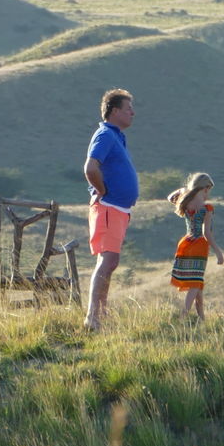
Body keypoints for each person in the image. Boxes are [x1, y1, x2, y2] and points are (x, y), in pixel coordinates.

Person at [82, 88, 136, 331]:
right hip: (108, 206)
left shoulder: (117, 136)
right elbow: (91, 168)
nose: (132, 113)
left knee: (111, 261)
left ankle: (100, 315)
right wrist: (102, 191)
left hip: (118, 208)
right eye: (128, 109)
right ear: (114, 111)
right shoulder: (105, 134)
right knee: (107, 260)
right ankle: (93, 316)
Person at [166, 172, 224, 321]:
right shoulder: (206, 209)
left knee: (196, 282)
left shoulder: (185, 203)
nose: (208, 195)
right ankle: (183, 315)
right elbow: (207, 233)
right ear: (205, 188)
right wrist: (218, 252)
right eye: (208, 190)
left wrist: (183, 190)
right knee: (196, 283)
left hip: (186, 243)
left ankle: (201, 317)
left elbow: (170, 197)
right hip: (199, 246)